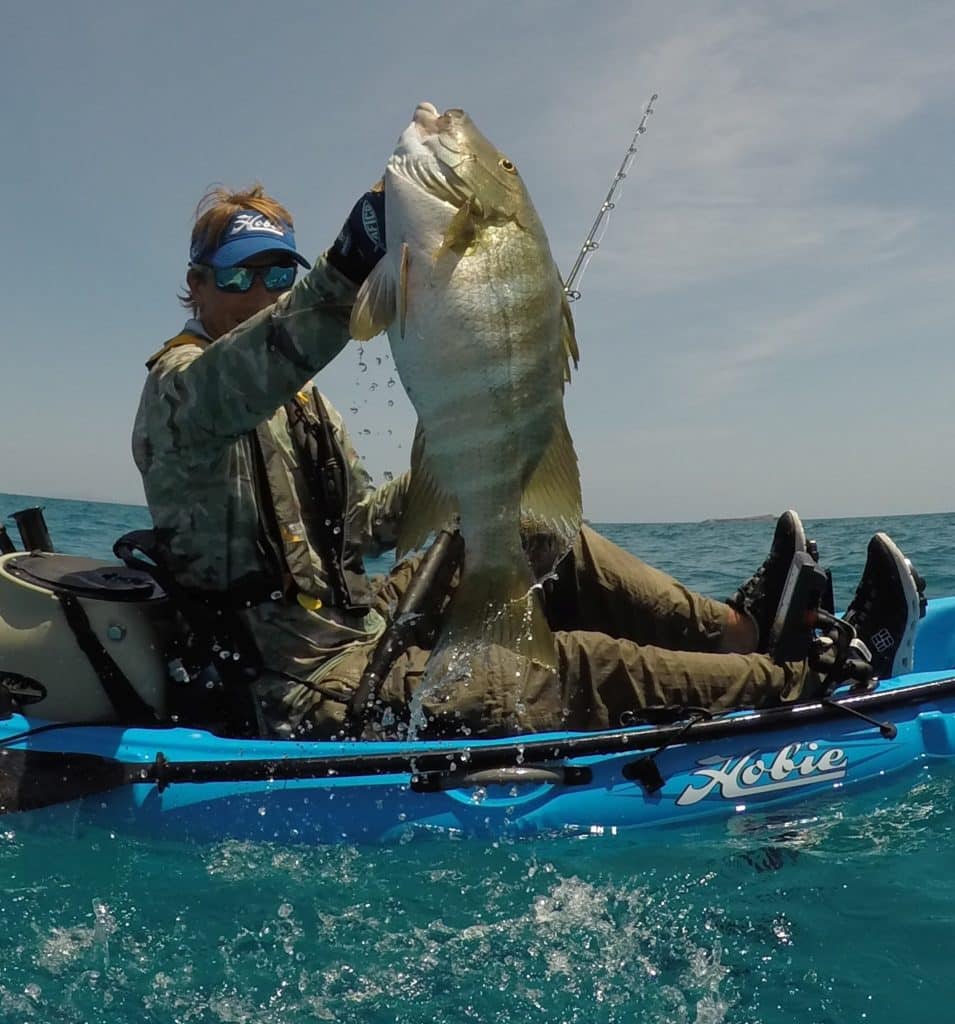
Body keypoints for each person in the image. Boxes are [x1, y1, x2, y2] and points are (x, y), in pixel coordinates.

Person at [132, 183, 925, 740]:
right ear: (196, 288)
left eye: (281, 273)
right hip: (300, 686)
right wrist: (342, 271)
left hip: (360, 620)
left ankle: (742, 630)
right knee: (573, 667)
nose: (262, 292)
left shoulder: (301, 405)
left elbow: (363, 529)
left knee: (540, 530)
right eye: (239, 275)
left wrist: (483, 445)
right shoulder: (181, 393)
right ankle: (814, 685)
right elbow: (240, 377)